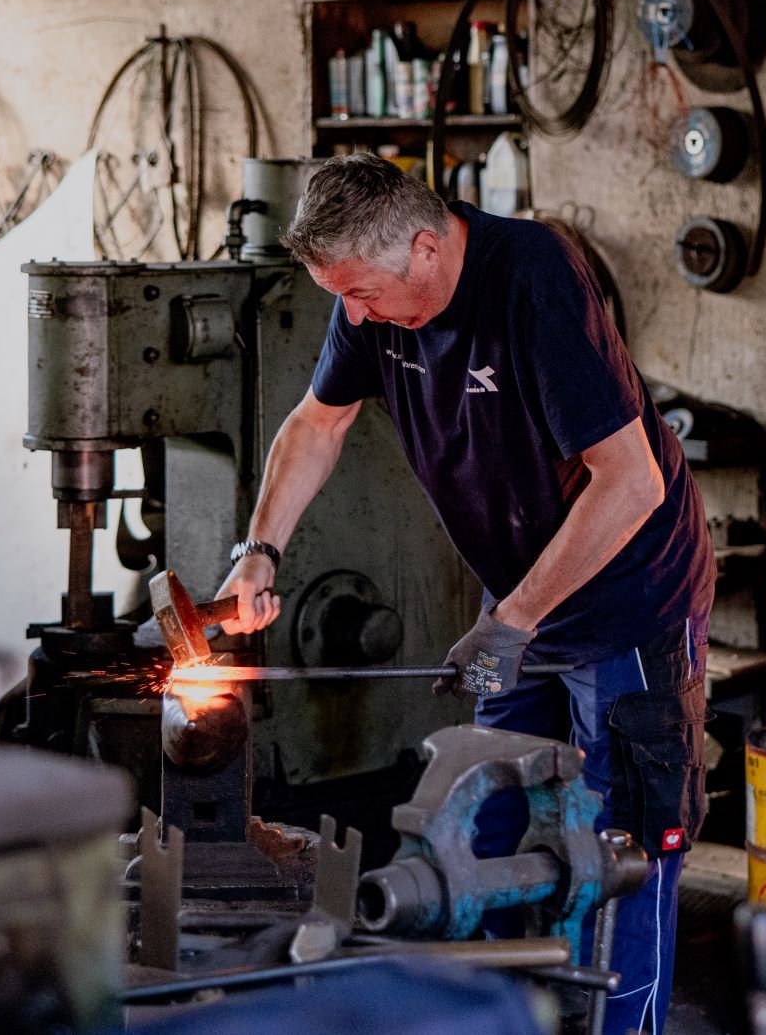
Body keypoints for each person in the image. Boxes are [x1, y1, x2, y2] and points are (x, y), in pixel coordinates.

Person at [216, 153, 713, 1033]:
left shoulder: (533, 280)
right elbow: (316, 422)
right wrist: (260, 551)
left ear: (424, 247)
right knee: (487, 828)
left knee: (622, 855)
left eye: (363, 293)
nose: (356, 316)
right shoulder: (370, 302)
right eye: (344, 299)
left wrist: (513, 618)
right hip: (520, 600)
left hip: (628, 599)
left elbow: (629, 481)